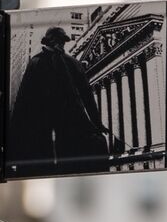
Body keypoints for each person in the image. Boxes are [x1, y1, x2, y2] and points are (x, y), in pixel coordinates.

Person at [9, 27, 114, 175]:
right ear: (49, 41)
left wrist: (97, 123)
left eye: (62, 41)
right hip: (42, 123)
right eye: (57, 40)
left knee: (81, 154)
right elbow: (23, 100)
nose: (61, 44)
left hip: (69, 120)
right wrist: (16, 133)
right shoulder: (36, 62)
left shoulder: (72, 63)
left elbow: (87, 96)